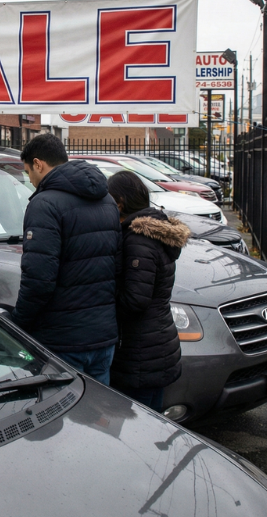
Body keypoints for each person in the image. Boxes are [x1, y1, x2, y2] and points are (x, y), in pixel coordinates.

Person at [11, 134, 122, 385]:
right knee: (96, 417)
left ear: (39, 164)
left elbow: (39, 279)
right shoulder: (106, 199)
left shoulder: (44, 204)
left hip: (63, 340)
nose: (30, 180)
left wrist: (18, 324)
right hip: (104, 337)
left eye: (28, 172)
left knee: (63, 417)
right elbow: (117, 267)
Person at [107, 170, 190, 411]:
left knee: (139, 426)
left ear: (120, 202)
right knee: (154, 422)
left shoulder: (137, 240)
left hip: (141, 352)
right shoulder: (155, 232)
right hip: (158, 343)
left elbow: (135, 300)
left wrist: (104, 299)